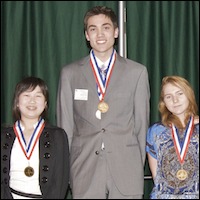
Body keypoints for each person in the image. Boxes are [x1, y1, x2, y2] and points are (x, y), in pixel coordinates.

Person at [57, 5, 150, 199]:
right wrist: (69, 168)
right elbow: (65, 127)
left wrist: (135, 164)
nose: (100, 34)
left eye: (106, 27)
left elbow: (142, 125)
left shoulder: (137, 72)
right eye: (93, 29)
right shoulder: (70, 74)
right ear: (86, 35)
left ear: (116, 32)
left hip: (126, 168)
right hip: (84, 168)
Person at [1, 76, 70, 199]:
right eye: (26, 95)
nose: (32, 101)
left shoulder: (57, 136)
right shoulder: (4, 136)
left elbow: (61, 179)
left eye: (38, 96)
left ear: (45, 103)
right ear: (17, 102)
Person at [146, 75, 199, 199]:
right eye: (168, 97)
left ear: (189, 95)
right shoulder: (155, 131)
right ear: (163, 102)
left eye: (180, 94)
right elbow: (156, 177)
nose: (175, 100)